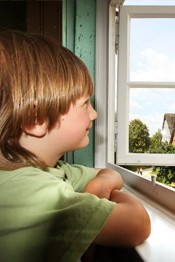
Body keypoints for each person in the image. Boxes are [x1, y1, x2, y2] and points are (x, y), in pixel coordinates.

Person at [0, 30, 151, 261]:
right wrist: (100, 192)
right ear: (36, 120)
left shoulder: (50, 170)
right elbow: (137, 223)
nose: (94, 113)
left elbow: (107, 173)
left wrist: (98, 187)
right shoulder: (32, 193)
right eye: (84, 104)